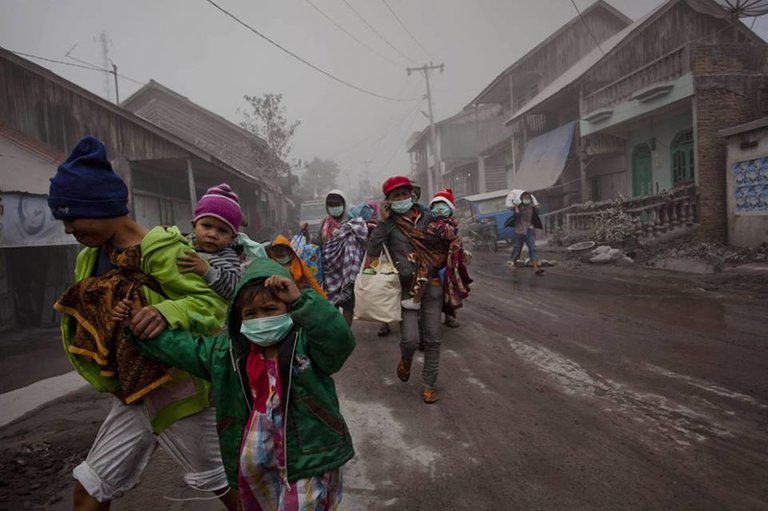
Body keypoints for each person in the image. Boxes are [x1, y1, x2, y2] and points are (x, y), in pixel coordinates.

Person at [47, 136, 237, 511]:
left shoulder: (164, 250)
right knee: (89, 487)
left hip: (179, 392)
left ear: (102, 208)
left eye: (72, 216)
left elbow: (213, 304)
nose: (68, 228)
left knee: (230, 489)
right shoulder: (89, 257)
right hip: (132, 392)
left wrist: (167, 312)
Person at [128, 258, 355, 510]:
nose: (260, 319)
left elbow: (339, 340)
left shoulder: (308, 344)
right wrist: (137, 328)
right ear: (239, 319)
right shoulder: (229, 354)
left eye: (270, 310)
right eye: (250, 314)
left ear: (288, 310)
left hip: (311, 453)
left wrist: (300, 300)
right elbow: (185, 350)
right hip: (257, 456)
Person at [367, 176, 449, 404]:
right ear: (388, 201)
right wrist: (382, 222)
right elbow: (373, 248)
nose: (401, 198)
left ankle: (429, 384)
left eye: (404, 194)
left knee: (432, 339)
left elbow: (445, 241)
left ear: (412, 194)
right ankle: (406, 359)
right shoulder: (389, 223)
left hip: (432, 286)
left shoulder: (429, 217)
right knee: (411, 339)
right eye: (396, 196)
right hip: (406, 289)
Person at [176, 183, 243, 301]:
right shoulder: (182, 245)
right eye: (206, 226)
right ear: (194, 225)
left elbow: (235, 288)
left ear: (232, 237)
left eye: (222, 230)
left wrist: (207, 271)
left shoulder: (228, 256)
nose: (212, 235)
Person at [319, 190, 368, 326]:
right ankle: (336, 334)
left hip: (348, 271)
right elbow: (320, 244)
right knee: (331, 306)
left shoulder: (353, 222)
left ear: (344, 204)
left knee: (348, 305)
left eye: (337, 204)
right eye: (330, 205)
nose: (334, 207)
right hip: (330, 272)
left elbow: (363, 240)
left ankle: (346, 335)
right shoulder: (325, 224)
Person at [507, 191, 544, 275]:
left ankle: (536, 268)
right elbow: (516, 216)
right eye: (525, 198)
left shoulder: (532, 207)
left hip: (529, 230)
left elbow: (537, 211)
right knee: (517, 249)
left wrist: (537, 206)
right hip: (519, 231)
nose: (526, 199)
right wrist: (516, 206)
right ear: (521, 199)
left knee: (532, 248)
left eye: (528, 198)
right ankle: (514, 265)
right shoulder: (519, 207)